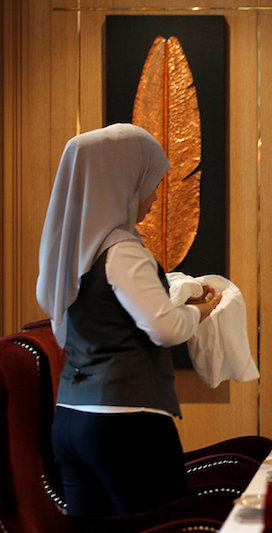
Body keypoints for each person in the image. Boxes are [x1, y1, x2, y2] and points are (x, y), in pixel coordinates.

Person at [36, 123, 222, 517]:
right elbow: (165, 329)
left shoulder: (63, 253)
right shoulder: (123, 251)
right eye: (150, 183)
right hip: (126, 424)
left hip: (70, 421)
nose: (154, 197)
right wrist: (202, 311)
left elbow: (66, 328)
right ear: (119, 181)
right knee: (165, 526)